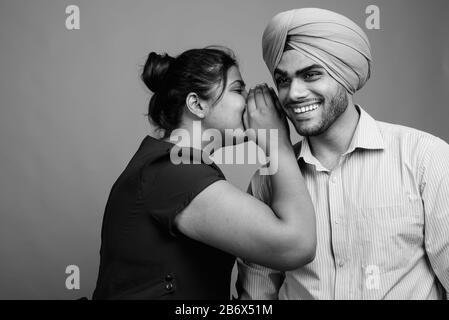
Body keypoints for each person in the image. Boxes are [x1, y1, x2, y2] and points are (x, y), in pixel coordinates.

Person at [237, 8, 449, 300]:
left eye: (311, 74)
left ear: (345, 75)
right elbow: (256, 294)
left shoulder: (425, 158)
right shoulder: (266, 180)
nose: (294, 93)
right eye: (283, 80)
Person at [92, 47, 316, 299]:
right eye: (238, 89)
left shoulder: (176, 167)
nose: (250, 99)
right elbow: (297, 246)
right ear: (197, 104)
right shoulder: (173, 173)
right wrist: (278, 144)